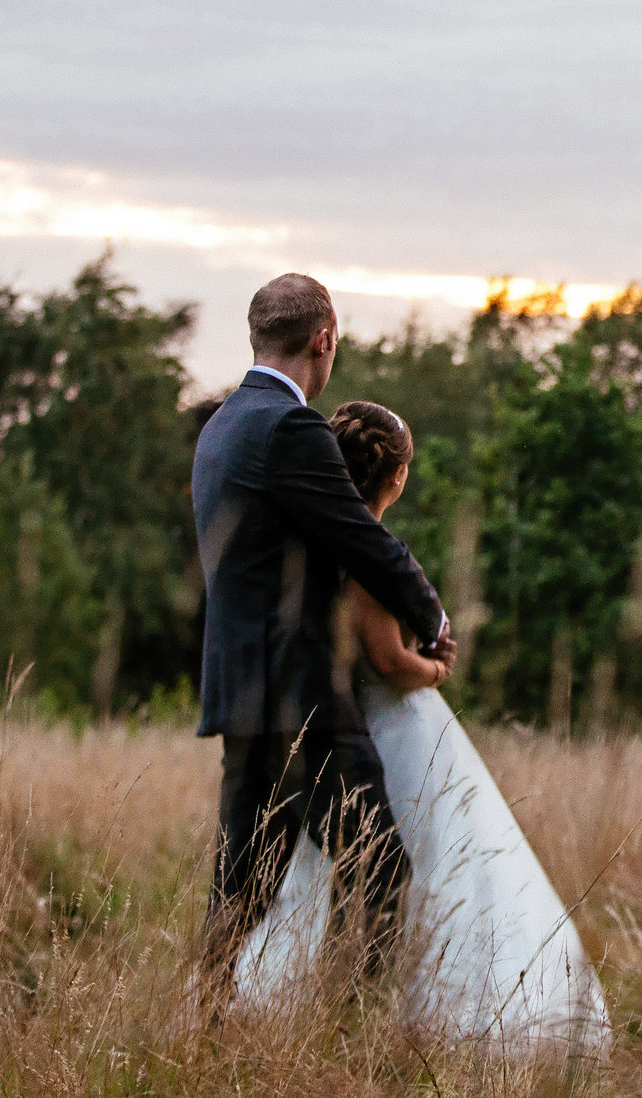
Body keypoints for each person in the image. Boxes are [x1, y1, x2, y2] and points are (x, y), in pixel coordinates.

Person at [233, 400, 611, 1051]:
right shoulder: (366, 556)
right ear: (396, 476)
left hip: (365, 723)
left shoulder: (322, 547)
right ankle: (427, 1008)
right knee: (427, 859)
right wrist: (434, 668)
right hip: (391, 726)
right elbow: (386, 660)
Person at [192, 273, 455, 1000]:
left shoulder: (220, 424)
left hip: (240, 691)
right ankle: (348, 1029)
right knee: (378, 865)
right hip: (299, 691)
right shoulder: (290, 427)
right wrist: (433, 621)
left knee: (243, 882)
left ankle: (204, 1018)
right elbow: (362, 539)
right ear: (324, 339)